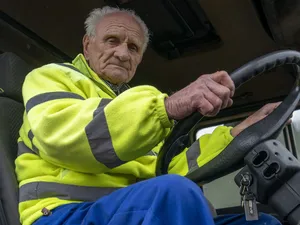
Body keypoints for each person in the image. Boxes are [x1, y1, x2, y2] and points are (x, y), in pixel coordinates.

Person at [15, 6, 282, 225]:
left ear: (139, 58)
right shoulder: (52, 78)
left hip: (135, 209)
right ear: (88, 44)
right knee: (174, 193)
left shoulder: (136, 107)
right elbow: (67, 137)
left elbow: (169, 167)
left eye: (133, 48)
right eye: (112, 40)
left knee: (264, 223)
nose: (122, 53)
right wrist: (165, 108)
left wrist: (237, 133)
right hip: (63, 214)